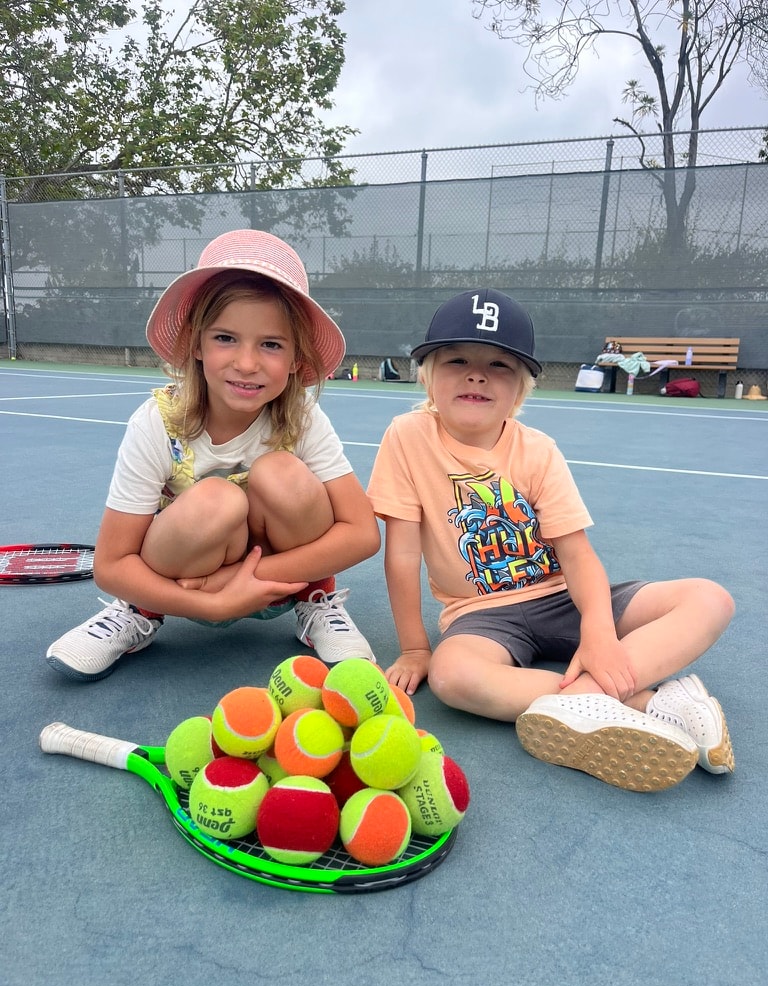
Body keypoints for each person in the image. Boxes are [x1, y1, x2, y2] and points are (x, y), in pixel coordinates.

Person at [366, 288, 735, 792]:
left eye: (499, 365)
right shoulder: (405, 438)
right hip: (480, 616)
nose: (477, 373)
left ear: (519, 390)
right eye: (456, 359)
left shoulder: (538, 451)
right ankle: (651, 704)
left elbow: (577, 556)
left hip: (562, 598)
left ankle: (588, 702)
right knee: (453, 677)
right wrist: (414, 648)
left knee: (709, 599)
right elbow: (403, 553)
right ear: (428, 376)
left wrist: (599, 635)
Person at [46, 229, 381, 682]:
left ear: (297, 359)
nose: (246, 363)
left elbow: (362, 534)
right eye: (226, 338)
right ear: (196, 345)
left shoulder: (302, 417)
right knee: (216, 498)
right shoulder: (155, 422)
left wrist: (237, 579)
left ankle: (314, 602)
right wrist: (214, 601)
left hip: (281, 583)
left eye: (271, 344)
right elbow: (111, 564)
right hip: (183, 584)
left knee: (283, 472)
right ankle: (139, 610)